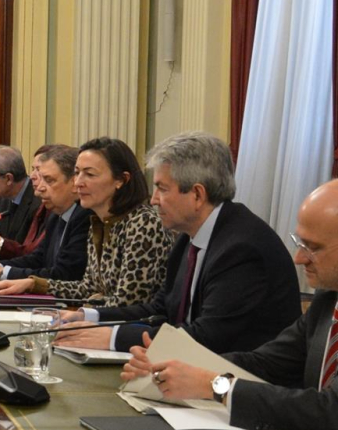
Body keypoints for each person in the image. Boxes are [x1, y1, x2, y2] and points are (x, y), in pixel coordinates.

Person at [122, 180, 338, 430]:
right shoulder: (328, 299)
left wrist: (214, 385)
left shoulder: (246, 245)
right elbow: (268, 364)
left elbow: (331, 412)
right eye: (299, 243)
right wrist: (171, 366)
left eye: (313, 248)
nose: (299, 258)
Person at [55, 132, 298, 353]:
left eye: (162, 189)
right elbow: (159, 309)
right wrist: (89, 317)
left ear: (197, 194)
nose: (153, 200)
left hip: (237, 376)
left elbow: (207, 337)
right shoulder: (188, 237)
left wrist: (113, 338)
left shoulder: (241, 249)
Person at [0, 137, 173, 307]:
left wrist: (85, 311)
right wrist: (32, 284)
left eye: (89, 174)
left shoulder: (143, 223)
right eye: (77, 173)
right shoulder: (99, 222)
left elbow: (128, 303)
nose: (78, 182)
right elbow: (87, 288)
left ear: (121, 180)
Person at [0, 144, 90, 282]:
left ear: (74, 183)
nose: (39, 189)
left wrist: (3, 272)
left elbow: (63, 275)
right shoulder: (56, 214)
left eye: (49, 180)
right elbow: (37, 259)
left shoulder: (84, 217)